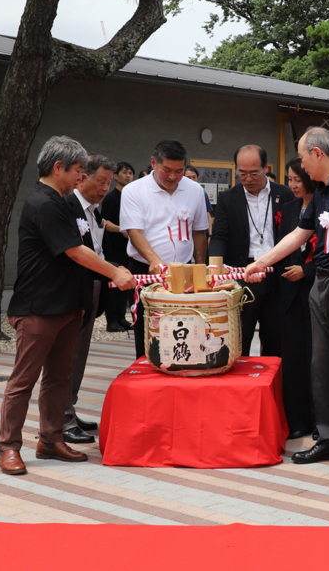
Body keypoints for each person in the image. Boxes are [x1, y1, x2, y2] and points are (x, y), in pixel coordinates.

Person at [245, 127, 329, 477]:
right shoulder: (321, 193)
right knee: (321, 365)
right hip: (320, 283)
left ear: (318, 154)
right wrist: (263, 261)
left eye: (303, 157)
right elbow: (298, 235)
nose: (301, 164)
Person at [0, 136, 134, 476]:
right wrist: (115, 272)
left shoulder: (62, 201)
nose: (81, 177)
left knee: (59, 378)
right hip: (39, 306)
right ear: (58, 168)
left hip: (69, 305)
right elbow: (75, 250)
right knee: (23, 380)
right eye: (77, 170)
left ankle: (51, 439)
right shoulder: (42, 202)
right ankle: (9, 446)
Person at [120, 140, 209, 361]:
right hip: (147, 271)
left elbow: (199, 231)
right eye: (166, 170)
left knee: (186, 326)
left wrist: (200, 267)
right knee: (149, 331)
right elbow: (134, 232)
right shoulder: (134, 191)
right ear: (153, 163)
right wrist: (155, 261)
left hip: (185, 272)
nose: (172, 177)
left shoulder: (195, 190)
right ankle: (146, 371)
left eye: (179, 171)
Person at [209, 145, 293, 357]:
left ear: (266, 168)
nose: (248, 178)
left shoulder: (284, 194)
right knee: (239, 337)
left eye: (254, 173)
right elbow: (219, 236)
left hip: (278, 273)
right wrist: (214, 268)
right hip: (242, 274)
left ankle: (273, 385)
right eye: (242, 173)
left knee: (276, 338)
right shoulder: (228, 198)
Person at [61, 154, 117, 444]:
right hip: (73, 290)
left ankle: (70, 407)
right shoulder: (68, 206)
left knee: (80, 353)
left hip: (93, 287)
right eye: (101, 181)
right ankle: (62, 417)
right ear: (82, 177)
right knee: (67, 355)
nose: (105, 188)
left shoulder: (95, 210)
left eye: (109, 182)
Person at [278, 157, 318, 439]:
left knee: (317, 361)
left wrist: (306, 270)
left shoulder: (326, 204)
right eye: (289, 179)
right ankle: (297, 421)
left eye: (297, 180)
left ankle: (321, 422)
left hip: (316, 291)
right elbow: (281, 246)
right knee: (292, 360)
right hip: (289, 294)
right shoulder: (289, 209)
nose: (292, 185)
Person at [101, 161, 134, 332]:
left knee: (126, 284)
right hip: (113, 246)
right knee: (113, 284)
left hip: (129, 246)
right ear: (115, 176)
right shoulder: (111, 198)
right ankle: (111, 320)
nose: (128, 175)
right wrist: (122, 230)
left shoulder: (132, 197)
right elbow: (104, 222)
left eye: (130, 173)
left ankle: (122, 317)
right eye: (124, 172)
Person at [185, 164, 214, 236]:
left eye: (194, 177)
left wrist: (210, 234)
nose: (192, 180)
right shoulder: (179, 194)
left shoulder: (202, 193)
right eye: (188, 178)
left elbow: (207, 214)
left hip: (200, 232)